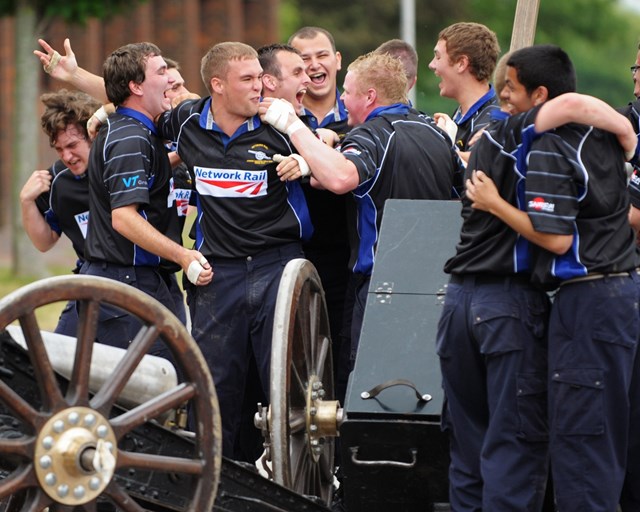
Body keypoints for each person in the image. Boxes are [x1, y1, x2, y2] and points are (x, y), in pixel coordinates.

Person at [446, 44, 638, 511]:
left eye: (509, 87)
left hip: (582, 300)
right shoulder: (601, 140)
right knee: (591, 444)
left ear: (540, 96)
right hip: (600, 296)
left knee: (578, 447)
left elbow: (554, 240)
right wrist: (627, 133)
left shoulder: (547, 142)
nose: (501, 96)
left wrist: (496, 205)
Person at [155, 41, 312, 461]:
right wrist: (77, 80)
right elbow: (135, 104)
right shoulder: (187, 121)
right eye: (248, 79)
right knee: (212, 387)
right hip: (217, 274)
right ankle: (211, 482)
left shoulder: (279, 120)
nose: (260, 86)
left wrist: (306, 160)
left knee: (283, 388)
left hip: (278, 265)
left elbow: (331, 134)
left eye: (261, 77)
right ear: (217, 85)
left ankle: (290, 484)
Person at [259, 50, 458, 373]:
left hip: (383, 285)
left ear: (369, 96)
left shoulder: (372, 134)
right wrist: (316, 157)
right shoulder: (435, 132)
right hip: (434, 285)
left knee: (372, 388)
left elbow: (339, 178)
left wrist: (293, 126)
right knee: (424, 382)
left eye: (348, 93)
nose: (343, 100)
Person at [82, 42, 212, 354]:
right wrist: (183, 255)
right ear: (136, 86)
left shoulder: (138, 130)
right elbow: (124, 217)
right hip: (127, 283)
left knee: (178, 380)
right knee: (152, 392)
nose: (171, 80)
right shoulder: (129, 139)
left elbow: (150, 174)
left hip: (147, 279)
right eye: (162, 72)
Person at [288, 26, 353, 404]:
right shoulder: (278, 116)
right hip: (293, 256)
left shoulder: (360, 113)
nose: (314, 66)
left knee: (342, 357)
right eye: (304, 60)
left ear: (337, 59)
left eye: (321, 55)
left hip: (346, 257)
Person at [19, 89, 101, 336]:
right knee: (58, 365)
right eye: (59, 149)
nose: (67, 156)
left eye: (73, 145)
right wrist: (26, 201)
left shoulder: (122, 164)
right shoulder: (58, 181)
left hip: (142, 281)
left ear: (93, 134)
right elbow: (44, 243)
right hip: (89, 280)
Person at [429, 22, 501, 160]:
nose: (432, 65)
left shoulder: (495, 118)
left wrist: (443, 143)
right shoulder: (461, 114)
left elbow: (477, 169)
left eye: (438, 57)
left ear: (461, 63)